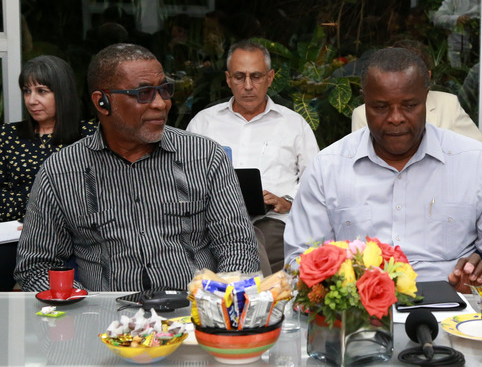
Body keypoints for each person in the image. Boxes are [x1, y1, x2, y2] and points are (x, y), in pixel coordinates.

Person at [14, 43, 259, 292]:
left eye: (164, 90)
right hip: (102, 313)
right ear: (102, 102)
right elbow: (36, 265)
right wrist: (84, 305)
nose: (161, 104)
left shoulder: (204, 157)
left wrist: (218, 301)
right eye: (144, 93)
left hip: (194, 308)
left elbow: (238, 246)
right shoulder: (61, 172)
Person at [284, 47, 482, 292]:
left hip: (456, 303)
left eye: (410, 105)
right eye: (381, 107)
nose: (396, 118)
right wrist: (340, 286)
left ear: (426, 98)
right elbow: (300, 257)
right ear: (364, 100)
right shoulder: (327, 168)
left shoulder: (475, 162)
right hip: (356, 307)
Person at [187, 39, 319, 272]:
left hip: (273, 222)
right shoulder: (204, 123)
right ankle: (260, 294)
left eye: (256, 76)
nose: (248, 86)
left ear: (270, 78)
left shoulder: (293, 124)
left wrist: (287, 200)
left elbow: (316, 179)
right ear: (228, 79)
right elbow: (183, 175)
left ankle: (246, 291)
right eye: (240, 77)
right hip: (213, 223)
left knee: (253, 238)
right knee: (242, 239)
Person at [0, 56, 96, 291]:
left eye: (42, 91)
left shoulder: (89, 135)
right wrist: (29, 216)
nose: (32, 100)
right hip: (13, 235)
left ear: (63, 93)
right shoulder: (8, 135)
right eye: (27, 91)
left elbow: (94, 194)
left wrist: (43, 216)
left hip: (71, 237)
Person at [351, 40, 482, 150]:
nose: (396, 119)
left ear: (427, 77)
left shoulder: (448, 104)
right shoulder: (362, 114)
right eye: (381, 107)